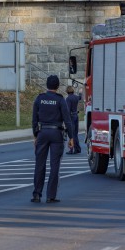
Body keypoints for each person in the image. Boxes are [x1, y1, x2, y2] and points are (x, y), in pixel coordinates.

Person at [31, 75, 74, 203]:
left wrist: (35, 135)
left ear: (47, 85)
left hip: (42, 133)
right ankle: (51, 196)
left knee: (40, 164)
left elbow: (34, 119)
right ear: (57, 86)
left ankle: (37, 194)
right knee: (54, 166)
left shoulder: (39, 99)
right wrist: (71, 137)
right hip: (56, 134)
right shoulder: (60, 100)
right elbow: (68, 120)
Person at [65, 85, 82, 154]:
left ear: (67, 91)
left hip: (71, 117)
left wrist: (66, 120)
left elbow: (68, 110)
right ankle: (77, 148)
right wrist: (81, 92)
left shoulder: (68, 99)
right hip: (76, 115)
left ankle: (72, 149)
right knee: (75, 133)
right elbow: (80, 97)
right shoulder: (75, 97)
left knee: (71, 134)